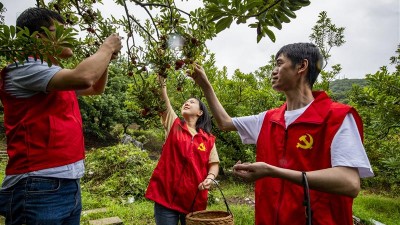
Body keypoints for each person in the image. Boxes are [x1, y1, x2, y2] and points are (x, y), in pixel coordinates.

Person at [188, 43, 374, 225]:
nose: (273, 70)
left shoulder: (337, 117)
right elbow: (225, 123)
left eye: (279, 63)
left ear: (301, 66)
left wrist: (272, 171)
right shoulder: (268, 118)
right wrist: (205, 85)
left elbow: (349, 183)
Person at [0, 7, 122, 225]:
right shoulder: (24, 68)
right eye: (61, 31)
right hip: (38, 185)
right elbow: (85, 77)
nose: (70, 38)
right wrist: (106, 47)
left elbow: (95, 88)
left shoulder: (52, 76)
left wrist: (107, 60)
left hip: (65, 184)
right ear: (38, 37)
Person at [145, 76, 220, 225]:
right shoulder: (174, 125)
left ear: (200, 113)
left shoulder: (208, 139)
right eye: (186, 101)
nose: (187, 102)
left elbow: (214, 163)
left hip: (193, 199)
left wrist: (210, 178)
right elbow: (164, 103)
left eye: (192, 102)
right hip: (166, 196)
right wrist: (162, 83)